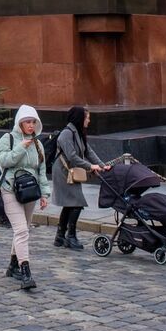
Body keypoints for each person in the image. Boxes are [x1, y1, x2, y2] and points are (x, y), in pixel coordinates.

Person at [0, 105, 51, 291]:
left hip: (30, 191)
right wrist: (20, 148)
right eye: (27, 121)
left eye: (33, 122)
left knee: (23, 229)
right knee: (21, 231)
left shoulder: (38, 143)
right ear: (20, 122)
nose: (31, 125)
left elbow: (41, 170)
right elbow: (3, 161)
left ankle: (13, 265)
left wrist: (45, 194)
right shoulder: (8, 139)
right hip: (10, 189)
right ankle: (25, 272)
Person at [51, 106, 109, 250]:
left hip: (71, 171)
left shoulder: (78, 132)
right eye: (87, 117)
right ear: (79, 118)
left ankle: (60, 237)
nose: (89, 120)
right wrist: (91, 167)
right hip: (63, 172)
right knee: (76, 202)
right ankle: (71, 236)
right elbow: (72, 156)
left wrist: (102, 165)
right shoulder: (67, 134)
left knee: (70, 203)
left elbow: (88, 151)